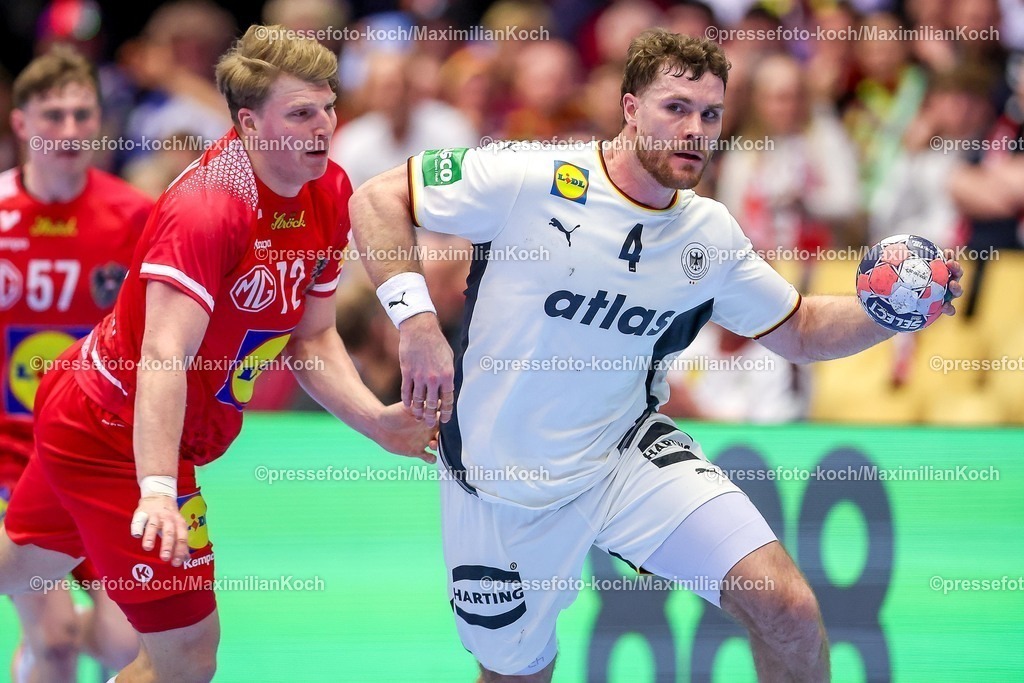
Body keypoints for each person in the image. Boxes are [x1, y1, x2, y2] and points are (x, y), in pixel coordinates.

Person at [350, 29, 964, 682]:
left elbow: (803, 330)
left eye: (711, 114)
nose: (695, 129)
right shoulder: (529, 175)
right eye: (676, 108)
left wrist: (890, 309)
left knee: (786, 607)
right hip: (499, 480)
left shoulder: (708, 233)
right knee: (516, 673)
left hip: (625, 456)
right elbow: (377, 198)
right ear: (631, 108)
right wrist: (416, 322)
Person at [0, 25, 435, 683]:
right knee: (187, 659)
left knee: (17, 568)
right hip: (116, 430)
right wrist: (156, 489)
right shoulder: (210, 209)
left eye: (327, 106)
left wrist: (375, 421)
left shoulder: (329, 189)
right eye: (300, 114)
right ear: (249, 123)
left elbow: (311, 337)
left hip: (100, 413)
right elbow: (164, 355)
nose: (324, 126)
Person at [1, 46, 153, 681]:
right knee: (57, 640)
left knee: (124, 644)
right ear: (21, 123)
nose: (69, 130)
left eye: (82, 115)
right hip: (10, 460)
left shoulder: (136, 218)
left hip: (97, 452)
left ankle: (41, 647)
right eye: (52, 115)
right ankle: (42, 647)